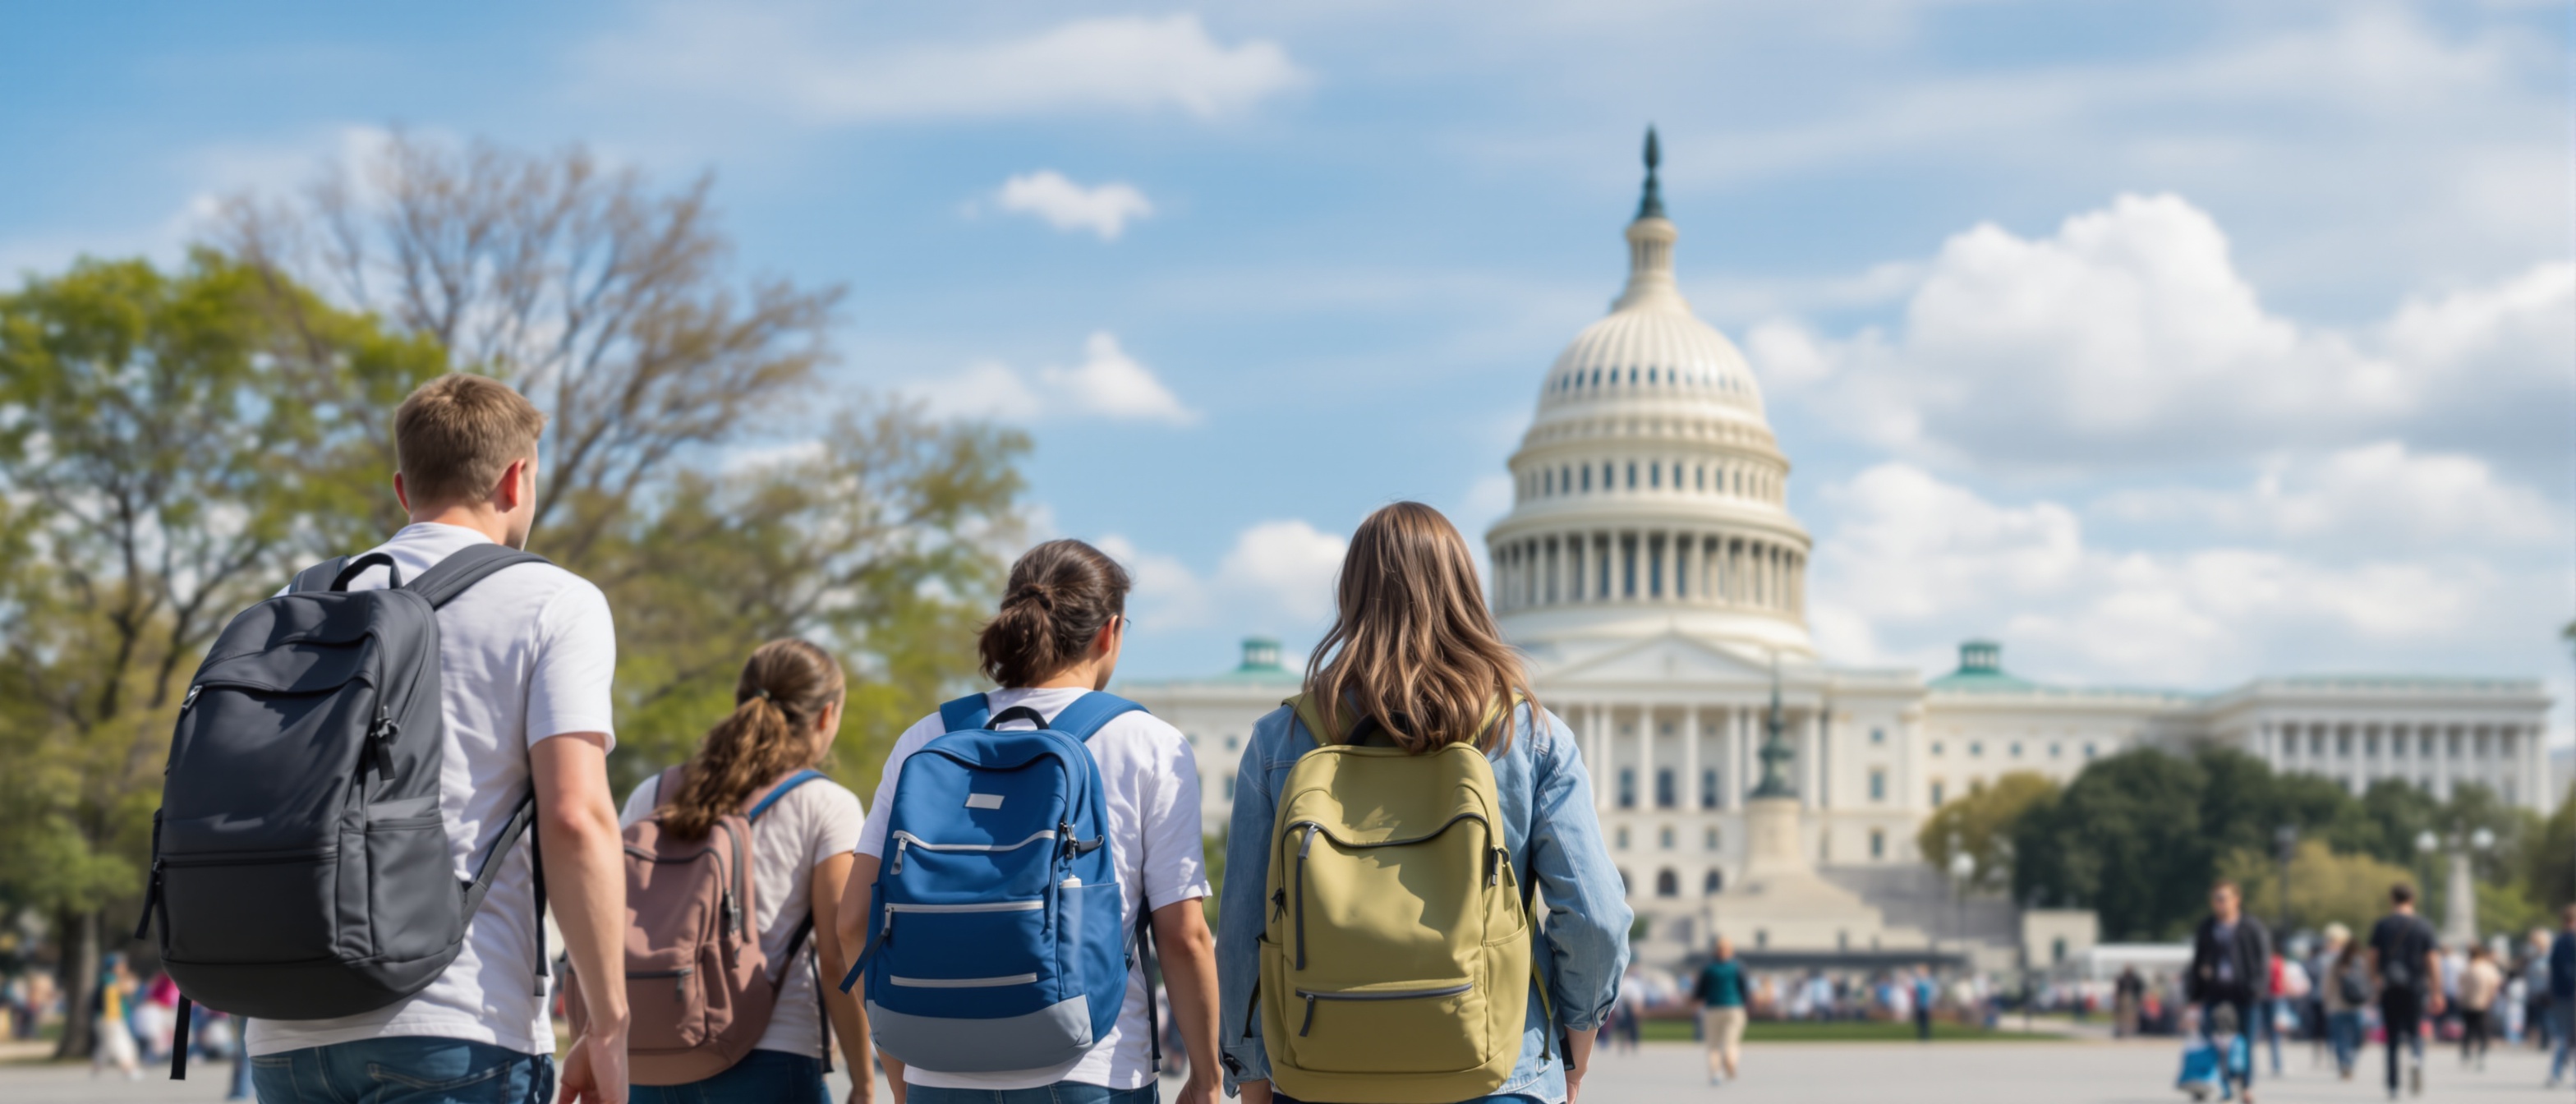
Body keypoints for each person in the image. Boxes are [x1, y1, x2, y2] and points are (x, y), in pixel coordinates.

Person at [244, 375, 632, 1104]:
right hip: (458, 1022)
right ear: (516, 480)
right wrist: (607, 1021)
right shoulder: (555, 601)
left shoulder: (300, 603)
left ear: (402, 488)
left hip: (287, 1030)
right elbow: (576, 817)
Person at [1215, 502, 1631, 1104]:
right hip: (1497, 1069)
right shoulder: (1529, 732)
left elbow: (1243, 931)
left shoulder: (1281, 738)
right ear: (1464, 588)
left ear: (1351, 595)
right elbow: (1594, 915)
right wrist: (1576, 1041)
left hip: (1320, 1071)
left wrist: (1250, 1072)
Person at [840, 538, 1223, 1104]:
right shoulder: (1148, 744)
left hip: (938, 1071)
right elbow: (1184, 935)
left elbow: (853, 921)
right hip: (1091, 1068)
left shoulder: (926, 739)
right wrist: (1208, 1078)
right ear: (1109, 633)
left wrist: (904, 1076)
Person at [617, 639, 875, 1103]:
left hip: (649, 1053)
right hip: (771, 1055)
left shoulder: (651, 794)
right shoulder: (827, 805)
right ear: (826, 716)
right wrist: (864, 1079)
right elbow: (837, 953)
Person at [2186, 881, 2269, 1103]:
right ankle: (2221, 1086)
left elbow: (2263, 960)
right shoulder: (2207, 926)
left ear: (2236, 899)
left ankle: (2247, 1086)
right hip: (2215, 990)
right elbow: (2197, 960)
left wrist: (2258, 986)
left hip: (2245, 991)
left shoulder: (2251, 926)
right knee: (2213, 1040)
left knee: (2246, 1041)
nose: (2219, 903)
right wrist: (2194, 995)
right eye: (2215, 899)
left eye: (2223, 898)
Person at [2368, 882, 2443, 1099]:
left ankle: (2393, 1085)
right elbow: (2432, 960)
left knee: (2391, 1037)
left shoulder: (2382, 925)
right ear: (2413, 899)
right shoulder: (2423, 926)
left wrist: (2375, 979)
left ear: (2392, 899)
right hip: (2415, 986)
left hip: (2390, 986)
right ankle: (2416, 1058)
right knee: (2415, 1032)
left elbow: (2372, 955)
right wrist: (2437, 990)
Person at [1693, 936, 1748, 1087]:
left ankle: (1716, 1073)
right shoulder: (1738, 966)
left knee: (1713, 1045)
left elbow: (1699, 992)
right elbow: (1744, 989)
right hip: (1734, 1007)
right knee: (1731, 1042)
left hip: (1713, 1008)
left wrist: (1696, 1001)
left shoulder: (1709, 968)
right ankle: (1730, 1061)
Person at [2319, 927, 2367, 1081]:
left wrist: (2326, 1002)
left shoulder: (2335, 963)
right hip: (2357, 1006)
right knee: (2356, 1039)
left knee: (2339, 1038)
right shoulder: (2361, 962)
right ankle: (2349, 1062)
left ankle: (2343, 1063)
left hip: (2337, 1006)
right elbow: (2368, 983)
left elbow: (2327, 985)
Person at [90, 954, 140, 1081]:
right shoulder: (109, 979)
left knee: (107, 1045)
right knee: (121, 1042)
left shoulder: (109, 979)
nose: (124, 968)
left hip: (110, 1017)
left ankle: (96, 1067)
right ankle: (128, 1068)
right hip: (110, 1018)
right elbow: (117, 993)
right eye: (121, 965)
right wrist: (129, 986)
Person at [2457, 945, 2501, 1070]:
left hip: (2468, 1002)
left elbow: (2460, 986)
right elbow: (2495, 984)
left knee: (2468, 1029)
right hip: (2483, 1002)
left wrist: (2462, 999)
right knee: (2483, 1030)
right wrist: (2490, 998)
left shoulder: (2467, 968)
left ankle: (2466, 1053)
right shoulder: (2488, 968)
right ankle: (2482, 1054)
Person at [2550, 904, 2575, 1087]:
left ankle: (2557, 1072)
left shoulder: (2560, 941)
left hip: (2561, 994)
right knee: (2568, 1035)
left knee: (2566, 1035)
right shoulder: (2570, 941)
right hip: (2571, 993)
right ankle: (2558, 1072)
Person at [2116, 965, 2146, 1038]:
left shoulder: (2135, 979)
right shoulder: (2123, 978)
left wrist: (2138, 997)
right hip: (2124, 998)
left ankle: (2132, 1030)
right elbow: (2119, 989)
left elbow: (2140, 988)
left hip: (2132, 998)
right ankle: (2123, 1030)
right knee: (2124, 1016)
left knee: (2132, 1016)